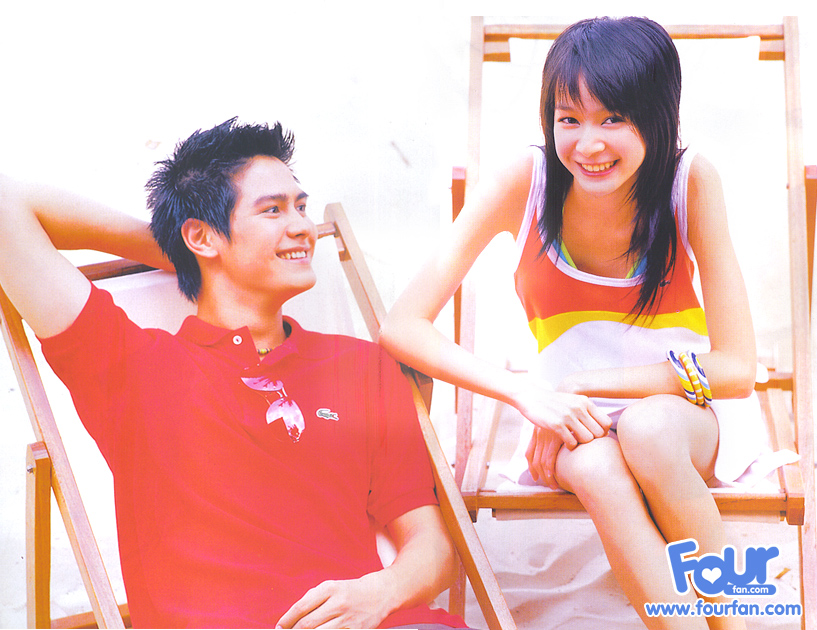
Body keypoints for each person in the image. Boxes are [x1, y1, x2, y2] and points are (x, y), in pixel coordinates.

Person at [380, 16, 786, 630]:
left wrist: (586, 383)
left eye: (613, 118)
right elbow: (403, 324)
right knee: (597, 465)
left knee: (648, 431)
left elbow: (734, 369)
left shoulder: (689, 181)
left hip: (681, 410)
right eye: (569, 119)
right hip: (568, 421)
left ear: (658, 116)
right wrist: (527, 394)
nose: (587, 145)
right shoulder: (527, 181)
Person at [0, 118, 470, 629]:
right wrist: (178, 249)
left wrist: (380, 593)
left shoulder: (361, 367)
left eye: (302, 207)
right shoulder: (132, 368)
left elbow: (431, 546)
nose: (302, 227)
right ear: (202, 236)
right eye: (272, 210)